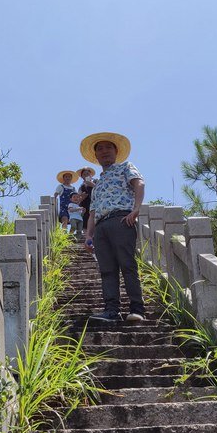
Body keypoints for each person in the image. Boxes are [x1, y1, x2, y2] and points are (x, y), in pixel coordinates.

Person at [80, 131, 145, 323]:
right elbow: (92, 212)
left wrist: (136, 209)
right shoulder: (97, 185)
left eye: (108, 147)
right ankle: (111, 311)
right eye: (100, 149)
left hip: (121, 220)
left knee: (127, 264)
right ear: (96, 156)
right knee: (107, 270)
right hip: (101, 227)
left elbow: (139, 184)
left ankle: (137, 309)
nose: (104, 151)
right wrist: (88, 236)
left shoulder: (125, 167)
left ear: (116, 151)